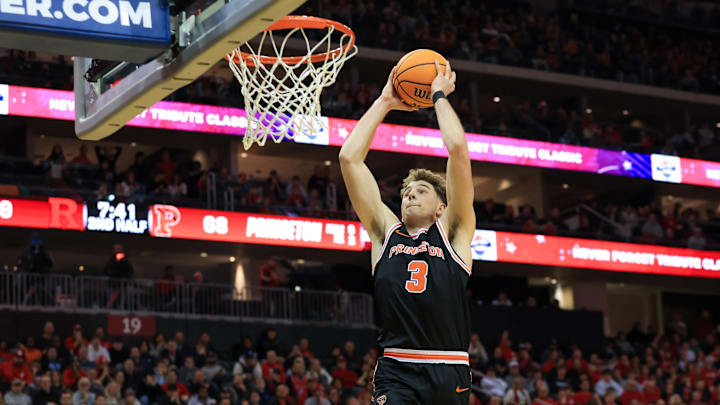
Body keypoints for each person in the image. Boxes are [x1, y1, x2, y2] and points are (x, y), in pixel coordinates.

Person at [339, 60, 474, 404]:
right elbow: (349, 159)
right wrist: (384, 101)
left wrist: (439, 95)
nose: (410, 194)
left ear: (442, 207)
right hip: (396, 368)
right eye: (406, 192)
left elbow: (457, 150)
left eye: (421, 191)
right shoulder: (386, 235)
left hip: (448, 367)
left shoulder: (454, 233)